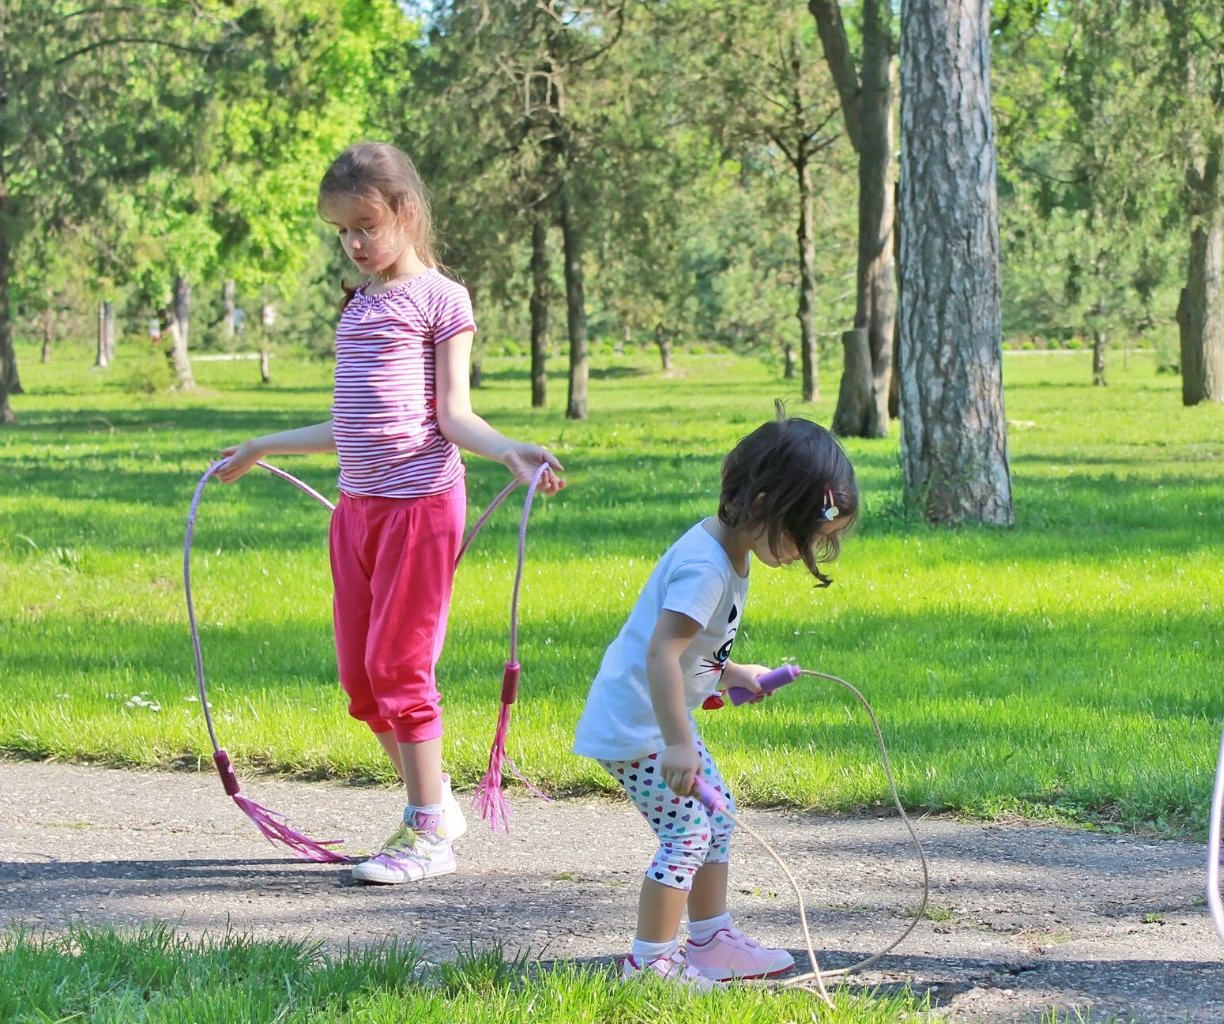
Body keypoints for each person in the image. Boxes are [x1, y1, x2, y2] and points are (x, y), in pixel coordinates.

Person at [216, 142, 564, 885]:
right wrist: (260, 446)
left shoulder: (443, 299)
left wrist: (508, 451)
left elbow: (453, 414)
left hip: (420, 509)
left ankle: (429, 833)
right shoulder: (359, 306)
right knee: (361, 680)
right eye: (342, 231)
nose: (354, 243)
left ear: (406, 211)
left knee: (400, 667)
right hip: (358, 512)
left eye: (366, 225)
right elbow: (350, 424)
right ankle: (432, 799)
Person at [573, 414, 857, 988]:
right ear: (762, 504)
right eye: (809, 536)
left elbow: (689, 651)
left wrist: (732, 673)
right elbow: (660, 655)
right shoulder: (705, 568)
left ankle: (709, 941)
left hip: (658, 719)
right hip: (639, 726)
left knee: (717, 816)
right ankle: (648, 963)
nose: (811, 552)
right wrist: (680, 742)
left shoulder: (730, 550)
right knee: (687, 833)